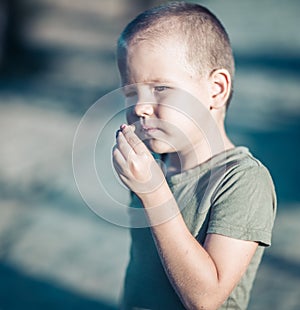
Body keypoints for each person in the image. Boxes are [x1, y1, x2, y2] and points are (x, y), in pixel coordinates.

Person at [112, 1, 276, 309]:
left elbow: (205, 298)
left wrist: (154, 193)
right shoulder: (155, 163)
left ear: (216, 89)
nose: (140, 107)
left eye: (160, 88)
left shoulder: (243, 181)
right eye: (131, 92)